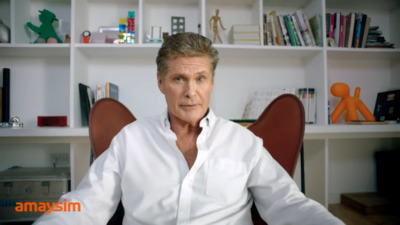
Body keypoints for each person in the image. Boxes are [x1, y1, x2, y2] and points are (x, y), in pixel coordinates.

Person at [34, 32, 343, 224]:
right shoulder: (129, 140)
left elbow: (288, 204)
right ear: (161, 83)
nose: (190, 92)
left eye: (200, 79)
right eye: (178, 78)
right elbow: (85, 205)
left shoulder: (243, 142)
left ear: (211, 82)